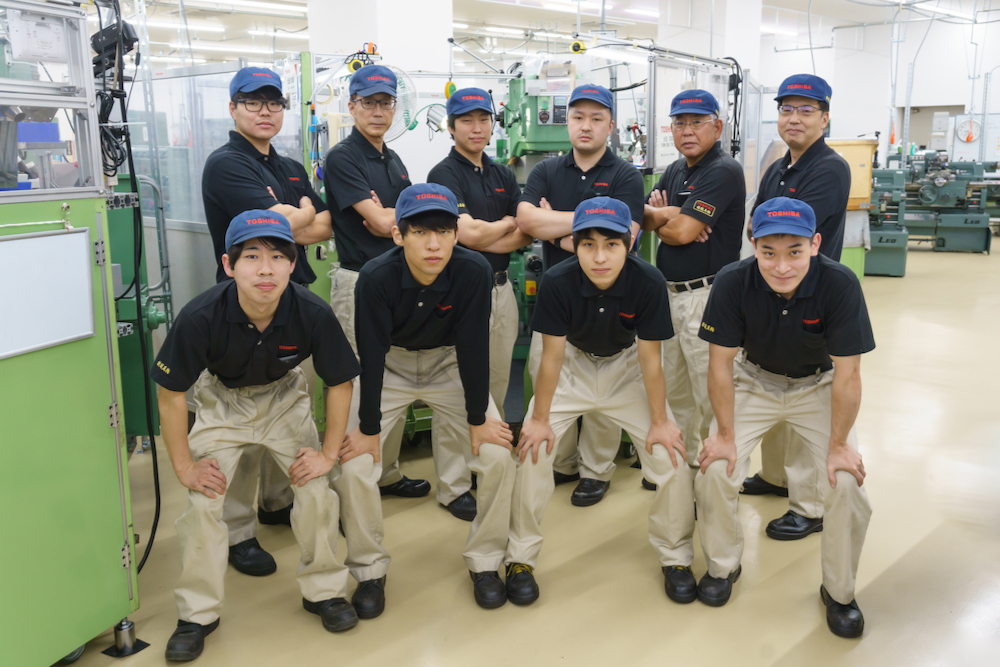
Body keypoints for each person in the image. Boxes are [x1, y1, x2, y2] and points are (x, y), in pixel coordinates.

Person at [152, 210, 362, 661]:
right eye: (251, 256)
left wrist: (327, 454)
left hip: (283, 398)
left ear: (293, 264)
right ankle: (197, 614)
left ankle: (324, 591)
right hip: (222, 400)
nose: (265, 269)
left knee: (316, 489)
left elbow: (340, 382)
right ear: (229, 265)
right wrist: (185, 466)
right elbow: (170, 394)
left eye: (277, 256)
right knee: (205, 500)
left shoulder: (313, 312)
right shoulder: (200, 316)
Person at [694, 197, 873, 638]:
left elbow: (848, 374)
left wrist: (838, 446)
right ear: (753, 244)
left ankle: (839, 592)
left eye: (794, 251)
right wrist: (726, 435)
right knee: (717, 468)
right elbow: (719, 366)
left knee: (845, 482)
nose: (781, 266)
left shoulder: (840, 284)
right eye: (768, 252)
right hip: (754, 380)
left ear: (815, 244)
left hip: (818, 384)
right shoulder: (733, 282)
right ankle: (723, 567)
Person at [504, 197, 694, 605]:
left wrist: (660, 422)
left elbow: (650, 361)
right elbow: (551, 357)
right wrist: (537, 419)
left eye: (612, 244)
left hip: (625, 369)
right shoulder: (557, 280)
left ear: (630, 243)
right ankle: (520, 558)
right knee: (534, 452)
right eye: (588, 244)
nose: (600, 257)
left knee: (671, 457)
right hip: (572, 364)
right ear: (573, 245)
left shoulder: (648, 282)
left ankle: (675, 557)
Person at [337, 183, 516, 611]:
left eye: (443, 231)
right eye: (419, 232)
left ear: (457, 233)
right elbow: (371, 356)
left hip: (449, 364)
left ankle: (486, 560)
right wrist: (367, 430)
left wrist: (478, 419)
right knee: (356, 464)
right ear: (398, 235)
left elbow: (474, 346)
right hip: (391, 366)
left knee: (496, 456)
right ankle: (368, 572)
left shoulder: (473, 272)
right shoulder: (376, 278)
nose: (434, 244)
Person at [202, 66, 333, 578]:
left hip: (291, 303)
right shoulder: (225, 165)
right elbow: (277, 225)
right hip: (243, 305)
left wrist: (294, 215)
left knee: (288, 409)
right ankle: (238, 532)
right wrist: (292, 217)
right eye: (252, 102)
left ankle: (279, 503)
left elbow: (322, 223)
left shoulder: (292, 165)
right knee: (241, 420)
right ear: (232, 108)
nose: (264, 111)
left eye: (273, 103)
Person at [516, 83, 645, 507]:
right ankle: (563, 461)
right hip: (559, 303)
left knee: (607, 392)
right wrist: (595, 226)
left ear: (610, 124)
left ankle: (596, 471)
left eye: (595, 118)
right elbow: (526, 221)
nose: (585, 126)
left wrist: (556, 222)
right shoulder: (546, 171)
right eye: (577, 117)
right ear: (566, 122)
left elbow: (625, 238)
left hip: (613, 301)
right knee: (547, 379)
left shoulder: (625, 174)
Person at [741, 74, 853, 543]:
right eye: (787, 109)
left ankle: (808, 506)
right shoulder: (777, 167)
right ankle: (774, 476)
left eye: (807, 110)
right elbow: (757, 222)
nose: (795, 118)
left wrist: (767, 231)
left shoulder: (830, 167)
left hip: (810, 295)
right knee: (770, 379)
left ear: (825, 118)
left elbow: (785, 231)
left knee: (807, 391)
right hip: (772, 294)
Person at [426, 87, 532, 521]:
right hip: (461, 293)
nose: (476, 127)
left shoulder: (503, 175)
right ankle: (452, 485)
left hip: (502, 287)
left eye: (482, 119)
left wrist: (501, 227)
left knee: (495, 382)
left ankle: (481, 464)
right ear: (451, 127)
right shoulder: (443, 174)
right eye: (466, 120)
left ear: (492, 125)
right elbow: (465, 235)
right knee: (456, 389)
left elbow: (526, 233)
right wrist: (506, 222)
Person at [323, 65, 428, 500]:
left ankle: (384, 472)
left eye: (385, 102)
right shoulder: (343, 158)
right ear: (352, 107)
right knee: (359, 381)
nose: (378, 110)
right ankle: (351, 487)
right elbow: (384, 220)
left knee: (392, 378)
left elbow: (393, 221)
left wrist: (392, 221)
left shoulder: (393, 158)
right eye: (368, 102)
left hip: (393, 282)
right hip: (359, 282)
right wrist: (390, 220)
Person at [642, 89, 746, 474]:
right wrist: (667, 216)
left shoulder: (723, 170)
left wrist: (666, 218)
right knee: (675, 392)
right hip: (670, 295)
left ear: (717, 127)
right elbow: (645, 218)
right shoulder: (675, 170)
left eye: (697, 122)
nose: (687, 130)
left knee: (711, 393)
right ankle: (681, 467)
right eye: (680, 122)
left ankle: (718, 472)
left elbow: (682, 232)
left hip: (707, 296)